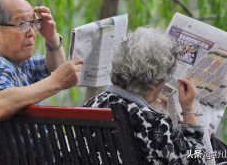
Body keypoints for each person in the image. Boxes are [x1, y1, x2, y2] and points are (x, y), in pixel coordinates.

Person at [84, 27, 207, 164]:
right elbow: (198, 160)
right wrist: (188, 110)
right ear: (155, 83)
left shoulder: (92, 105)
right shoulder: (155, 125)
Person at [0, 0, 83, 121]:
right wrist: (55, 81)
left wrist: (52, 39)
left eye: (33, 23)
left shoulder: (14, 58)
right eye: (22, 24)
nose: (31, 33)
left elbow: (54, 69)